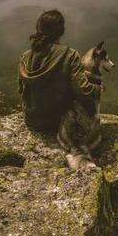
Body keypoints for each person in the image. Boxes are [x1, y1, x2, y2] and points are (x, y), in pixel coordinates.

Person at [18, 9, 100, 169]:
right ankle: (76, 153)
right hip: (57, 122)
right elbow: (84, 91)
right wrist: (98, 88)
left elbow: (22, 91)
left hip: (33, 120)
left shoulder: (25, 57)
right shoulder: (70, 55)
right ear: (61, 31)